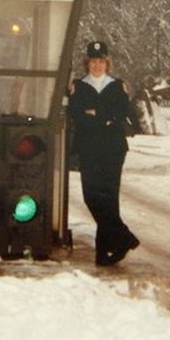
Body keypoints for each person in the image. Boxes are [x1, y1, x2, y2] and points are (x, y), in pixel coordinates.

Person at [67, 40, 140, 266]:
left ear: (107, 62)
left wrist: (95, 114)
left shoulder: (117, 86)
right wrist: (102, 117)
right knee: (92, 197)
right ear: (87, 63)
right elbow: (77, 115)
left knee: (109, 199)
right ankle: (124, 237)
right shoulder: (78, 87)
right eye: (93, 61)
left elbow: (119, 114)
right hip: (89, 149)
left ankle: (105, 251)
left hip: (112, 150)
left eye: (101, 61)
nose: (97, 66)